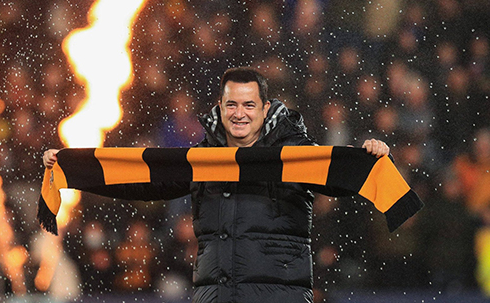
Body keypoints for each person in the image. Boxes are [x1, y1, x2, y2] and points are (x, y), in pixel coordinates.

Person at [43, 67, 390, 303]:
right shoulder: (202, 159)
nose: (240, 113)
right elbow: (141, 181)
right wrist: (71, 166)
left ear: (266, 109)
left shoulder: (295, 155)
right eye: (232, 104)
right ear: (220, 108)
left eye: (249, 105)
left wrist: (370, 157)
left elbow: (340, 181)